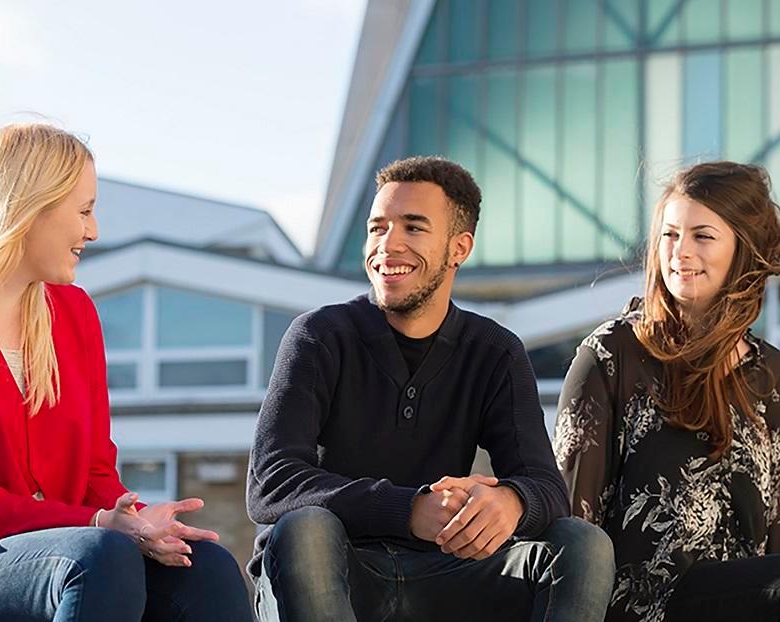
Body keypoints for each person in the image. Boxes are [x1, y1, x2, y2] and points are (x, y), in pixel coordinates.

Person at [0, 122, 254, 621]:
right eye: (84, 211)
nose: (94, 231)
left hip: (72, 554)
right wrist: (100, 524)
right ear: (30, 208)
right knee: (97, 556)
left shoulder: (74, 313)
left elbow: (95, 474)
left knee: (206, 566)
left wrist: (137, 522)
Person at [246, 156, 615, 622]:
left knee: (581, 542)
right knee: (307, 529)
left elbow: (547, 488)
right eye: (377, 228)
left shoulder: (495, 351)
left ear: (459, 248)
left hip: (444, 574)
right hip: (333, 573)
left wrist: (511, 501)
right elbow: (271, 482)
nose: (388, 245)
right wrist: (408, 509)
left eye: (413, 228)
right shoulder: (319, 336)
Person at [555, 161, 780, 622]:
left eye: (702, 236)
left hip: (743, 605)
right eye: (670, 235)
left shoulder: (770, 373)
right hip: (642, 606)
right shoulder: (612, 354)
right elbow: (572, 526)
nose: (680, 252)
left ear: (743, 249)